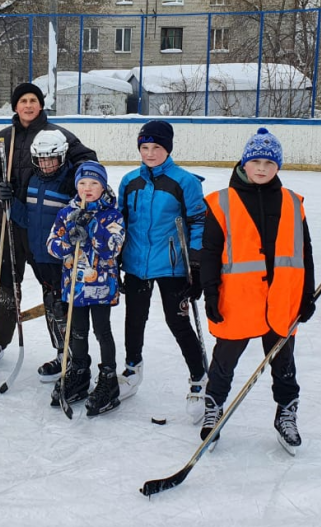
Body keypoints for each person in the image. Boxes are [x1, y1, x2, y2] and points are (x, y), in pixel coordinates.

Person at [199, 127, 316, 453]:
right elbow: (209, 253)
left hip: (282, 299)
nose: (262, 168)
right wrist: (209, 292)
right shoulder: (221, 202)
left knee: (283, 363)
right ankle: (214, 408)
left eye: (269, 162)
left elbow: (304, 251)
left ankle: (286, 412)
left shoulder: (293, 202)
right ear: (244, 163)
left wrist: (306, 294)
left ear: (277, 166)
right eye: (256, 161)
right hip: (237, 299)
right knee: (224, 362)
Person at [0, 82, 97, 366]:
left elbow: (87, 162)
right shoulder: (3, 139)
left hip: (47, 225)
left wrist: (72, 183)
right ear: (15, 106)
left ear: (40, 105)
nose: (28, 106)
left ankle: (62, 347)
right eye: (23, 101)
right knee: (5, 281)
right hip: (10, 221)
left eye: (33, 100)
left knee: (53, 286)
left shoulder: (58, 136)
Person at [117, 120, 209, 423]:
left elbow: (198, 222)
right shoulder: (130, 181)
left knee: (178, 322)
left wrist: (195, 263)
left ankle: (199, 378)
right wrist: (116, 258)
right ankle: (132, 369)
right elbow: (122, 222)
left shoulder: (185, 182)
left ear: (167, 149)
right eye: (145, 147)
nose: (150, 153)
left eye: (156, 147)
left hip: (172, 266)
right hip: (135, 263)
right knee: (134, 320)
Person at [46, 161, 126, 416]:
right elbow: (52, 244)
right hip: (74, 288)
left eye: (94, 183)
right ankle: (80, 371)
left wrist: (91, 227)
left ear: (103, 186)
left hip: (101, 288)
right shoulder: (67, 213)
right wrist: (69, 240)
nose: (87, 188)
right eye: (82, 183)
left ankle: (108, 378)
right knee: (77, 331)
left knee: (102, 331)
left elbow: (111, 249)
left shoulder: (112, 215)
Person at [21, 130, 77, 381]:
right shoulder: (32, 180)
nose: (45, 164)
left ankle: (75, 356)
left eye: (50, 159)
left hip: (64, 261)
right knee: (53, 309)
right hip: (40, 258)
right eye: (41, 159)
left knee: (67, 309)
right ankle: (61, 352)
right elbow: (29, 219)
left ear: (62, 156)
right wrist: (9, 204)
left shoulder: (72, 180)